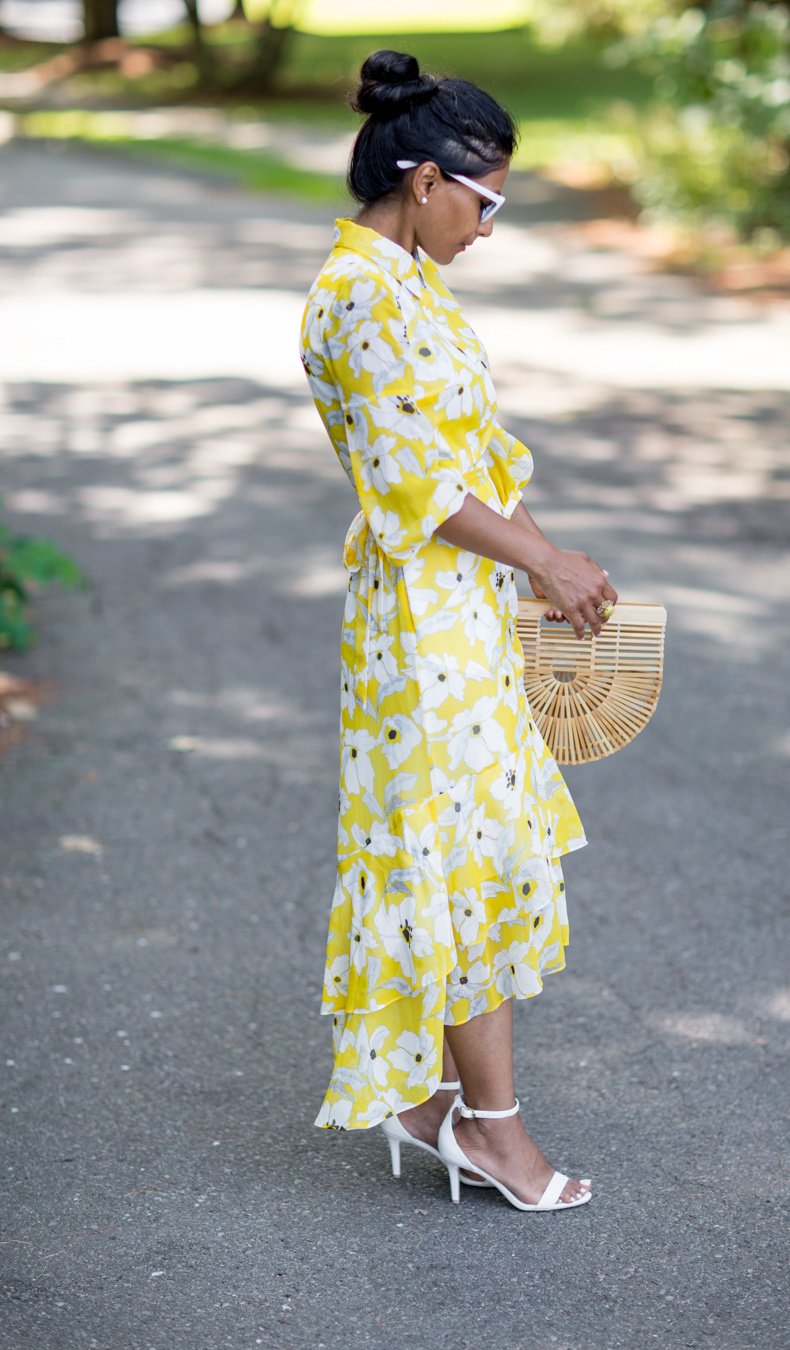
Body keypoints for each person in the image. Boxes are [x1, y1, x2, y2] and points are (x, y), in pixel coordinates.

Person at [301, 49, 617, 1212]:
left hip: (465, 611)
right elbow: (416, 486)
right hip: (418, 629)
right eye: (486, 202)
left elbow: (476, 457)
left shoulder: (412, 283)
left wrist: (550, 569)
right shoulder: (357, 298)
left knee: (469, 851)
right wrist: (537, 555)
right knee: (465, 859)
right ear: (426, 180)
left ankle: (439, 1104)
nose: (492, 225)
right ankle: (492, 1132)